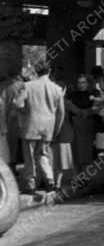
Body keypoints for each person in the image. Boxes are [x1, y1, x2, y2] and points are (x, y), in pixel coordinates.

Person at [17, 62, 65, 193]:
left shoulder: (27, 86)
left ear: (36, 72)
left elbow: (18, 104)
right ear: (49, 71)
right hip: (48, 128)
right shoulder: (57, 89)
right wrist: (56, 129)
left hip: (30, 126)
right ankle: (50, 180)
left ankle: (31, 184)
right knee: (43, 155)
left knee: (29, 157)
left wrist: (23, 111)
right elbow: (61, 112)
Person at [67, 75, 99, 167]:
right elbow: (69, 106)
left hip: (89, 123)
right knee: (77, 148)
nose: (81, 85)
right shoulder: (73, 95)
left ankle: (86, 168)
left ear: (88, 83)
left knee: (87, 147)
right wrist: (80, 112)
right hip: (76, 123)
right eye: (79, 83)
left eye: (83, 82)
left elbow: (96, 107)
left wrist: (87, 112)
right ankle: (78, 168)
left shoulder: (94, 93)